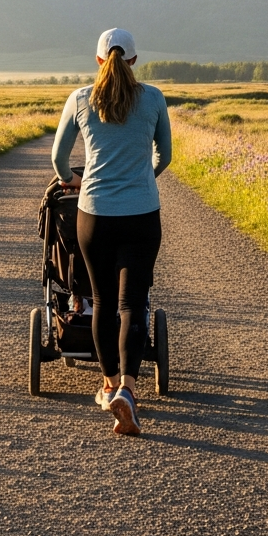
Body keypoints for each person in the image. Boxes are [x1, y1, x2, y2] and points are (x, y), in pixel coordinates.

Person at [51, 28, 172, 436]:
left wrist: (72, 180)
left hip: (94, 215)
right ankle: (128, 389)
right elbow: (165, 155)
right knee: (132, 303)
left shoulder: (81, 98)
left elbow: (58, 157)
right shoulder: (153, 98)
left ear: (99, 60)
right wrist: (143, 177)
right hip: (141, 215)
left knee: (100, 301)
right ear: (134, 61)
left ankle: (106, 385)